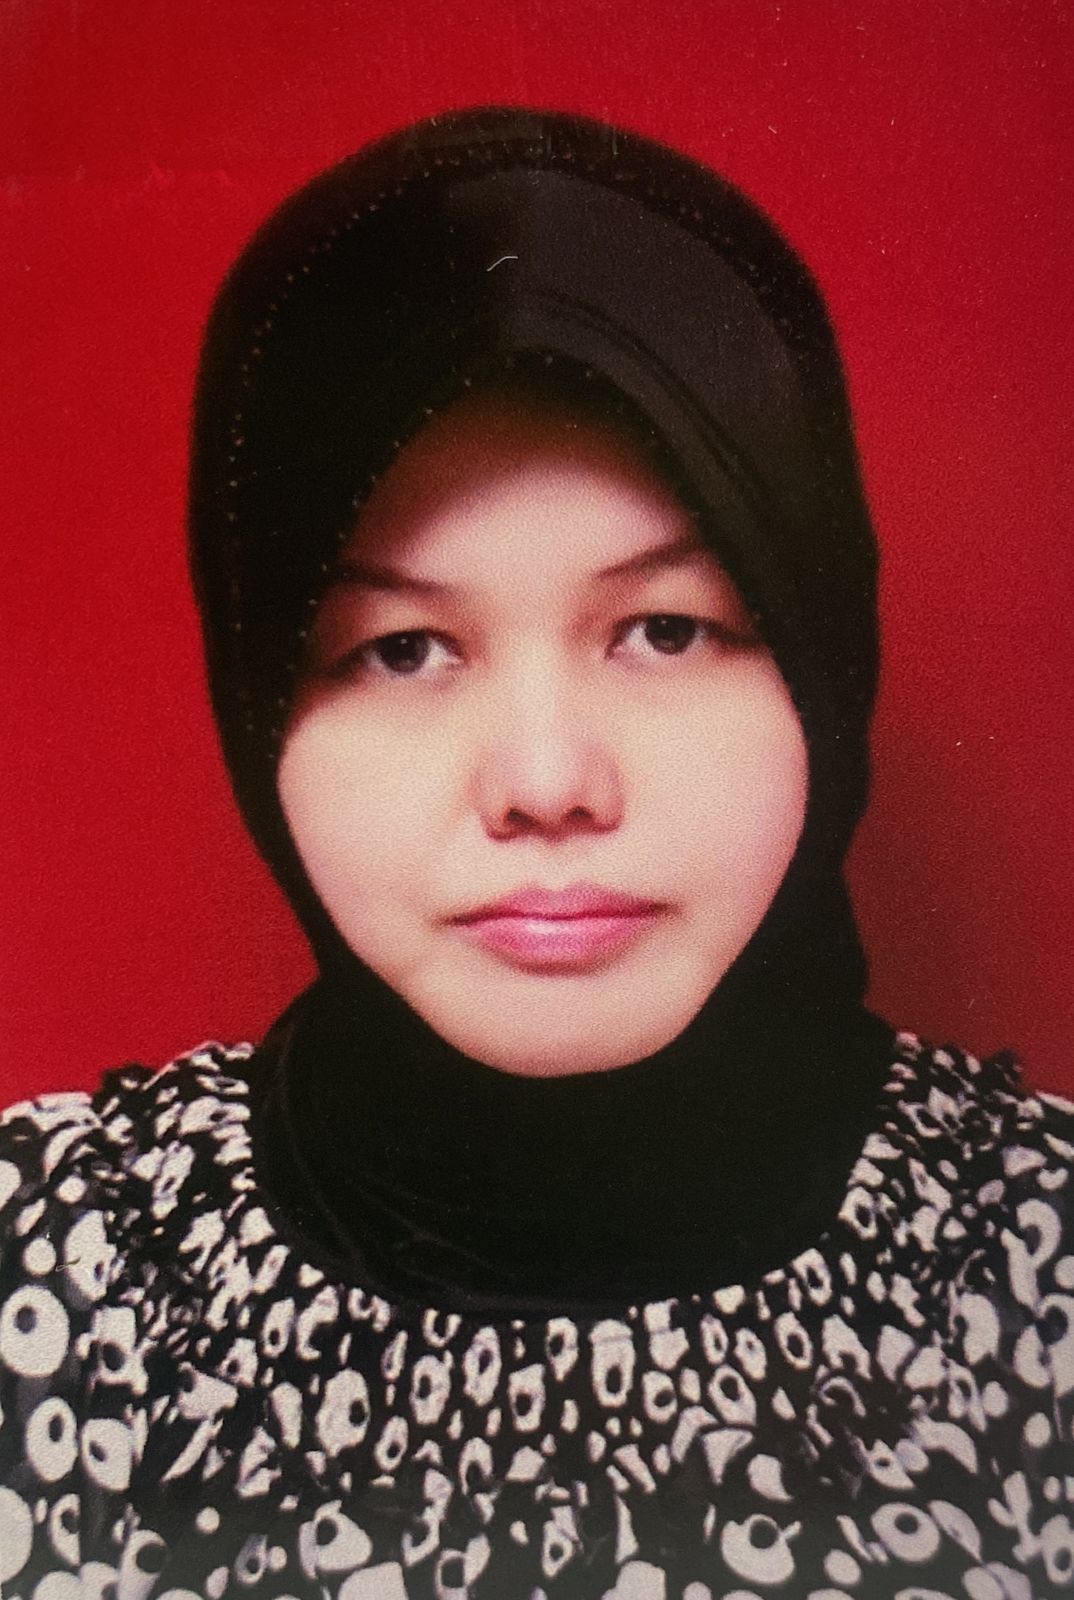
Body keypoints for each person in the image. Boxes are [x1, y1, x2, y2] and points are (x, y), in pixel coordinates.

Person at [1, 105, 1071, 1600]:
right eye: (401, 648)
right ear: (259, 705)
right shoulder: (47, 1279)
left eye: (666, 629)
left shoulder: (1043, 1261)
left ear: (821, 658)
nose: (547, 784)